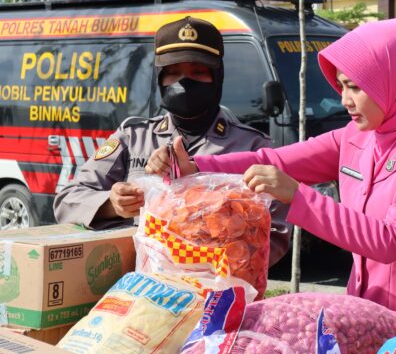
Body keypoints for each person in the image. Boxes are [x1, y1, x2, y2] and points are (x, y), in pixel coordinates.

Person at [146, 18, 396, 325]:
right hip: (364, 316)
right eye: (341, 86)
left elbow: (391, 240)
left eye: (355, 87)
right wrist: (197, 167)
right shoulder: (355, 137)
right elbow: (275, 160)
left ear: (395, 81)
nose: (344, 99)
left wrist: (299, 197)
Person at [54, 16, 291, 266]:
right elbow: (67, 200)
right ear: (160, 79)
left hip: (219, 289)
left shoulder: (253, 147)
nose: (184, 82)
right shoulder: (132, 137)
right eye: (173, 72)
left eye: (198, 72)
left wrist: (214, 248)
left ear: (217, 77)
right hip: (140, 290)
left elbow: (276, 234)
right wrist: (112, 205)